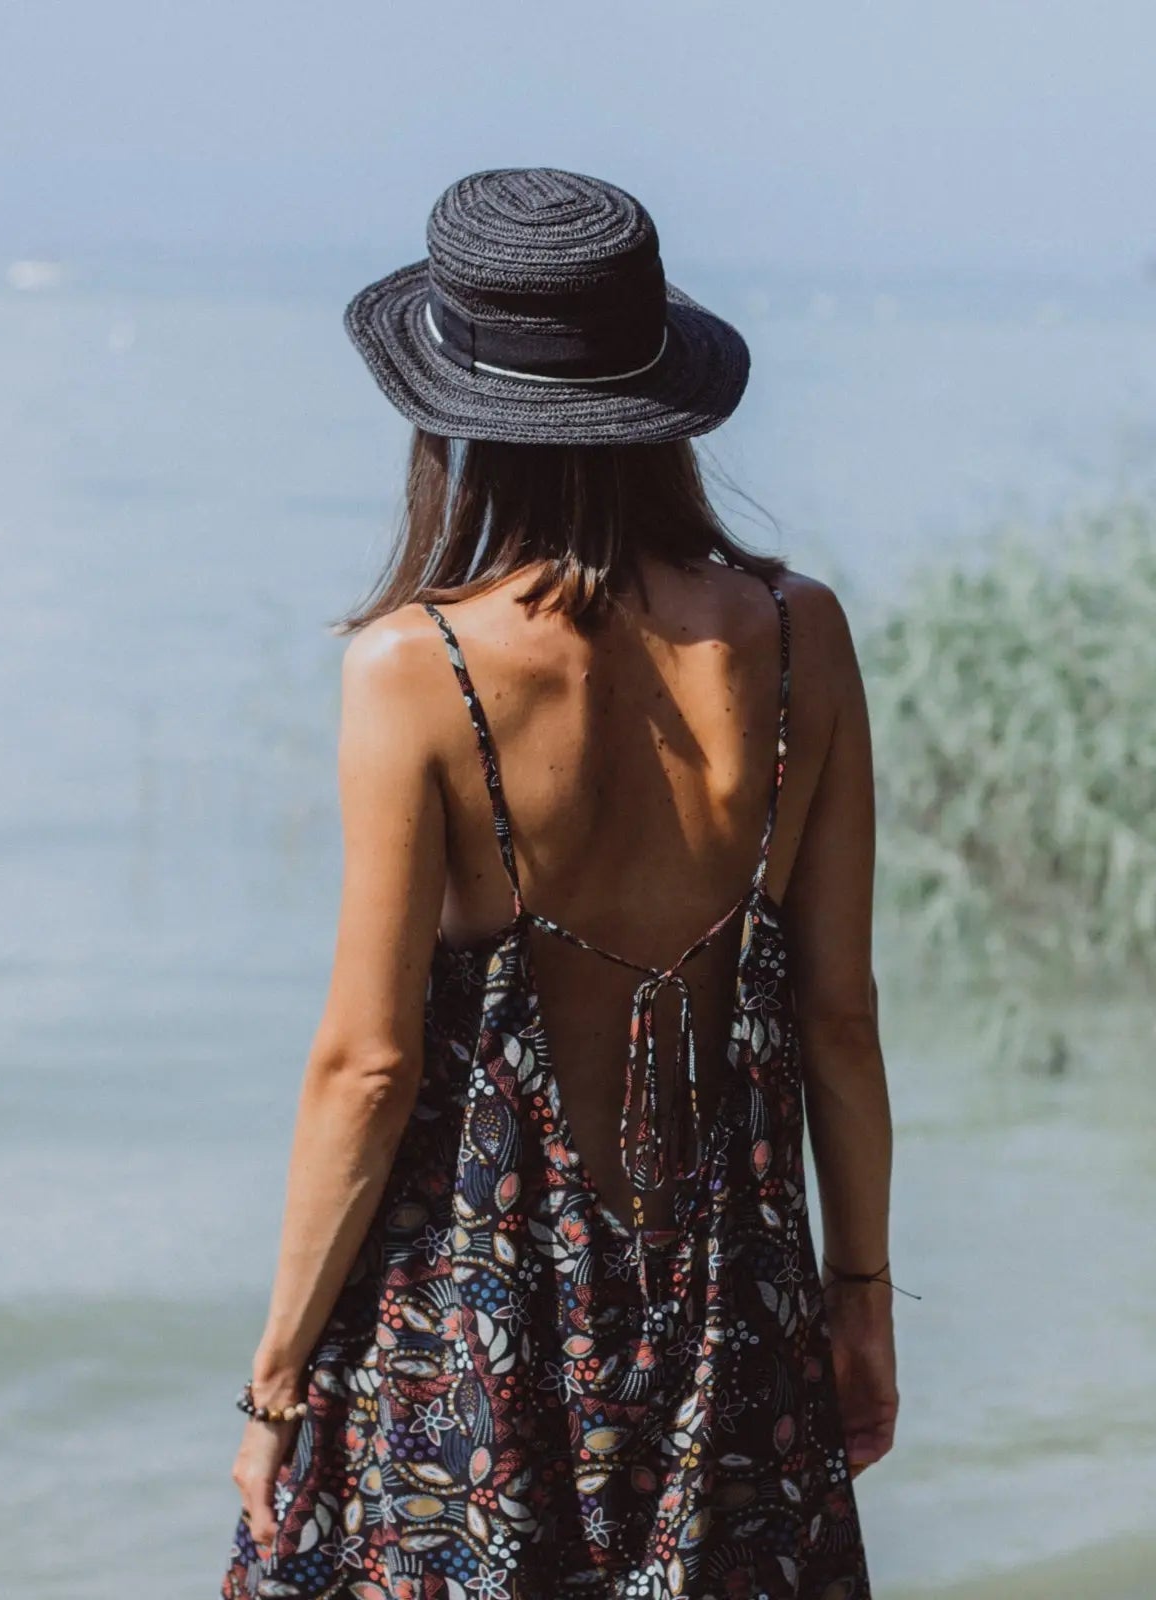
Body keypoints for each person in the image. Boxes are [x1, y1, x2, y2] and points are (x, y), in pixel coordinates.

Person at [223, 168, 898, 1600]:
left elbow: (366, 1064)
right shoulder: (800, 636)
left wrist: (278, 1375)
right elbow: (841, 1019)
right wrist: (861, 1302)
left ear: (451, 413)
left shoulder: (417, 668)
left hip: (474, 1335)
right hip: (736, 1313)